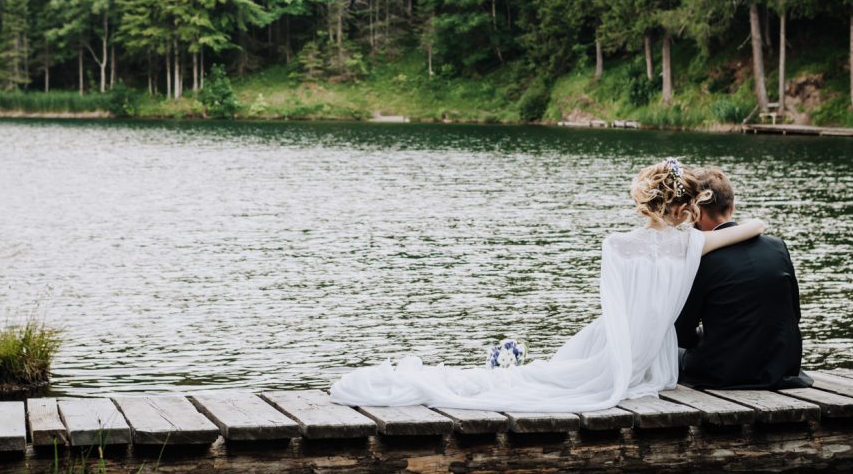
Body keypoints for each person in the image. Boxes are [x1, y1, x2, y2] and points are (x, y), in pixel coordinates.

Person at [329, 158, 767, 412]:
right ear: (686, 206)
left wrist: (618, 354)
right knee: (552, 377)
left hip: (615, 341)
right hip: (654, 357)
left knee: (551, 371)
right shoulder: (692, 245)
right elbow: (754, 226)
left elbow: (613, 310)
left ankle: (502, 367)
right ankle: (508, 368)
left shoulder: (616, 245)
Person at [675, 167, 812, 389]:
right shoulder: (778, 247)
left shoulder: (701, 258)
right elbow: (794, 313)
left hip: (725, 371)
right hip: (779, 367)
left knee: (669, 352)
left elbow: (682, 334)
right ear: (732, 206)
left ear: (695, 213)